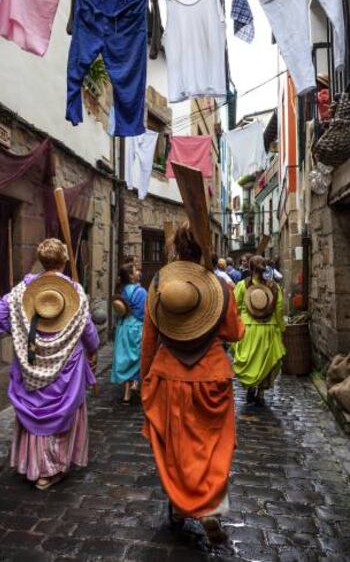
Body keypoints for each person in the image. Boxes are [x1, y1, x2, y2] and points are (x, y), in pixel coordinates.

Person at [141, 223, 244, 545]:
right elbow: (234, 333)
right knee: (212, 448)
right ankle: (209, 506)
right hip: (211, 375)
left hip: (168, 375)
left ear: (175, 248)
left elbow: (150, 337)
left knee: (175, 447)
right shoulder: (218, 285)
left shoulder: (160, 284)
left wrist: (145, 378)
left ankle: (180, 504)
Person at [0, 238, 99, 490]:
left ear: (42, 261)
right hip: (67, 368)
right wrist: (93, 349)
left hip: (31, 364)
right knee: (61, 418)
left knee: (35, 417)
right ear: (64, 261)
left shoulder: (21, 290)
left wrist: (19, 327)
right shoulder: (75, 291)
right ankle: (51, 468)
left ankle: (33, 466)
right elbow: (88, 328)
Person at [233, 255, 286, 406]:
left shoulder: (243, 285)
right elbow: (279, 309)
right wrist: (281, 327)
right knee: (265, 362)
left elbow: (235, 307)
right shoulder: (274, 287)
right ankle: (261, 393)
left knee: (249, 360)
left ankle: (250, 386)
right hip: (268, 329)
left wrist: (235, 326)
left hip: (248, 328)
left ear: (249, 268)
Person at [112, 263, 147, 403]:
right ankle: (137, 384)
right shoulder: (141, 292)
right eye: (136, 270)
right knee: (138, 358)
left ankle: (126, 394)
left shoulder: (121, 290)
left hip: (123, 327)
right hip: (136, 327)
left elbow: (119, 311)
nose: (138, 272)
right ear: (132, 276)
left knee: (126, 359)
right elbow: (144, 312)